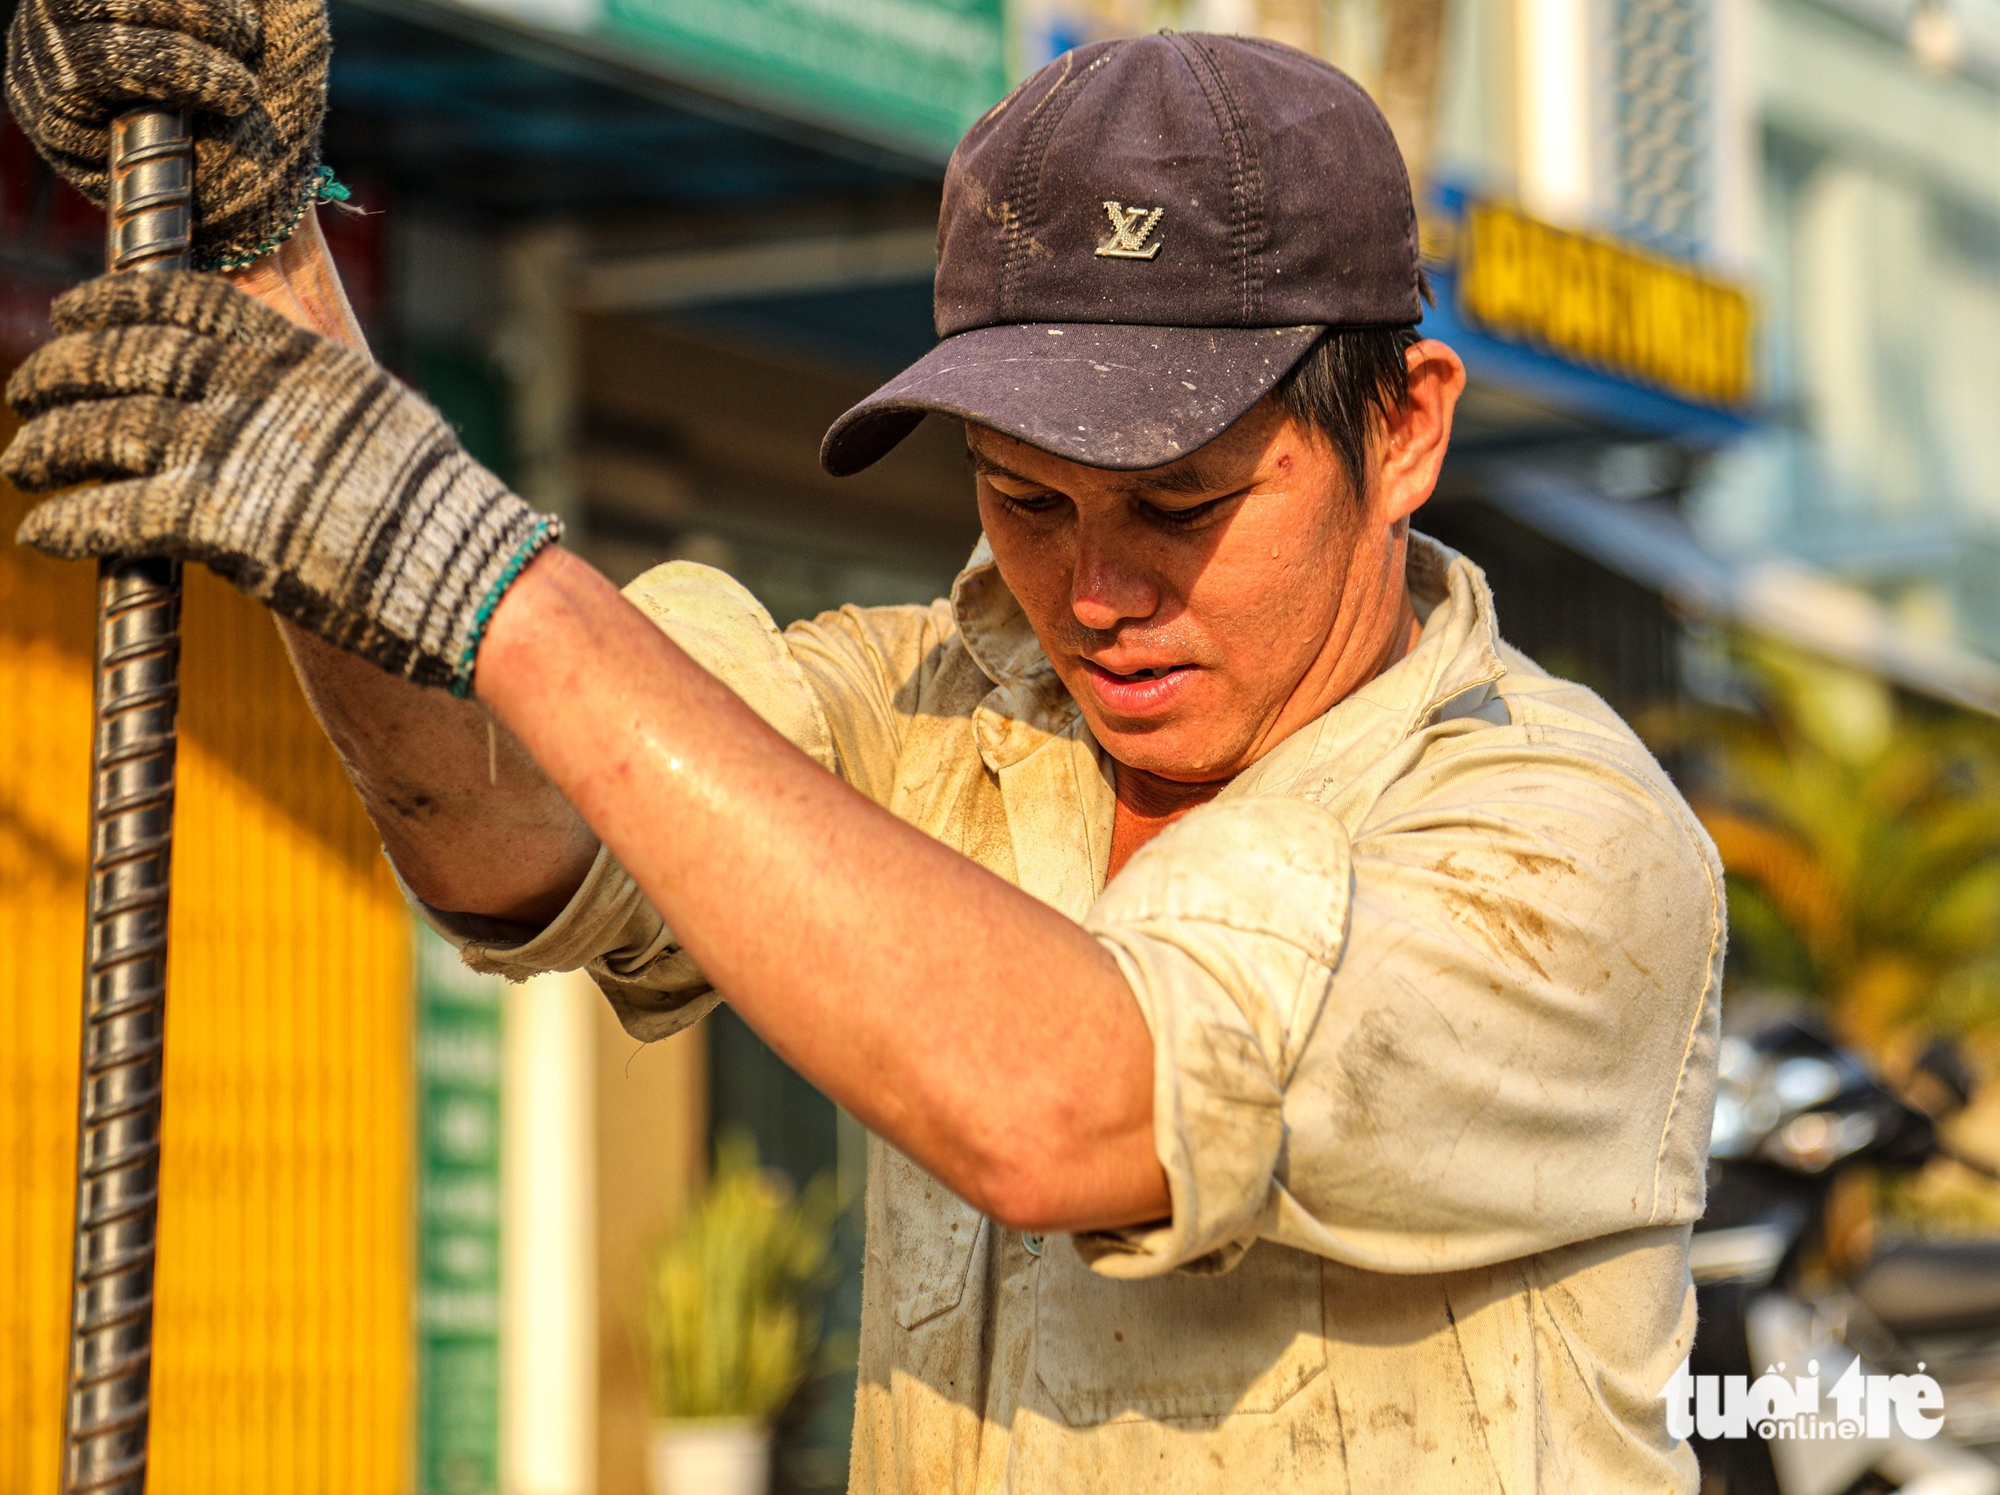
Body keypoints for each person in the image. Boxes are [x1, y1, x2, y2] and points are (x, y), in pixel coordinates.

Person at [5, 12, 1724, 1490]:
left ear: (1407, 425)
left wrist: (463, 561)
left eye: (1184, 502)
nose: (1097, 590)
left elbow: (1070, 1106)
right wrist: (261, 246)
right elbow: (513, 821)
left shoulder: (1555, 844)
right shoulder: (932, 709)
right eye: (1025, 498)